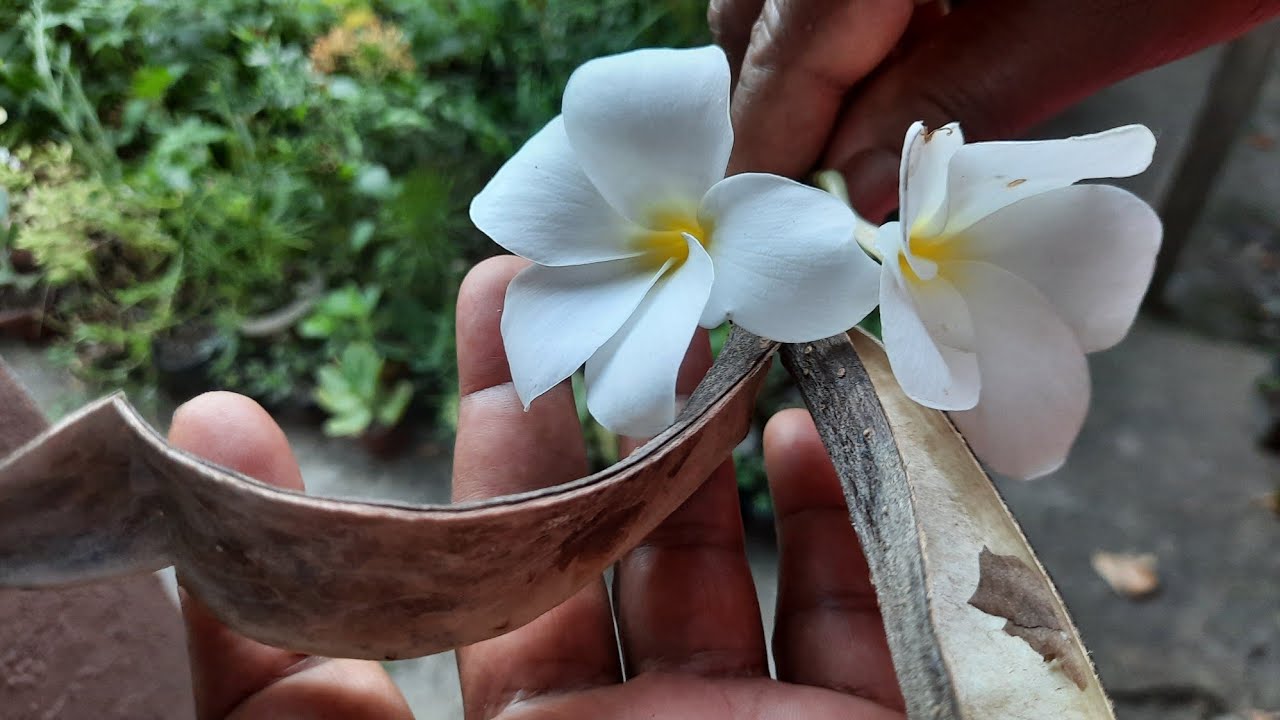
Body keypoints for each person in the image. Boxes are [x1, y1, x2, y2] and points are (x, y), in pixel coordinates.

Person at [170, 3, 1279, 717]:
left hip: (858, 241)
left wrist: (872, 239)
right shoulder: (727, 238)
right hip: (778, 247)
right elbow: (615, 333)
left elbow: (795, 272)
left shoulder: (797, 244)